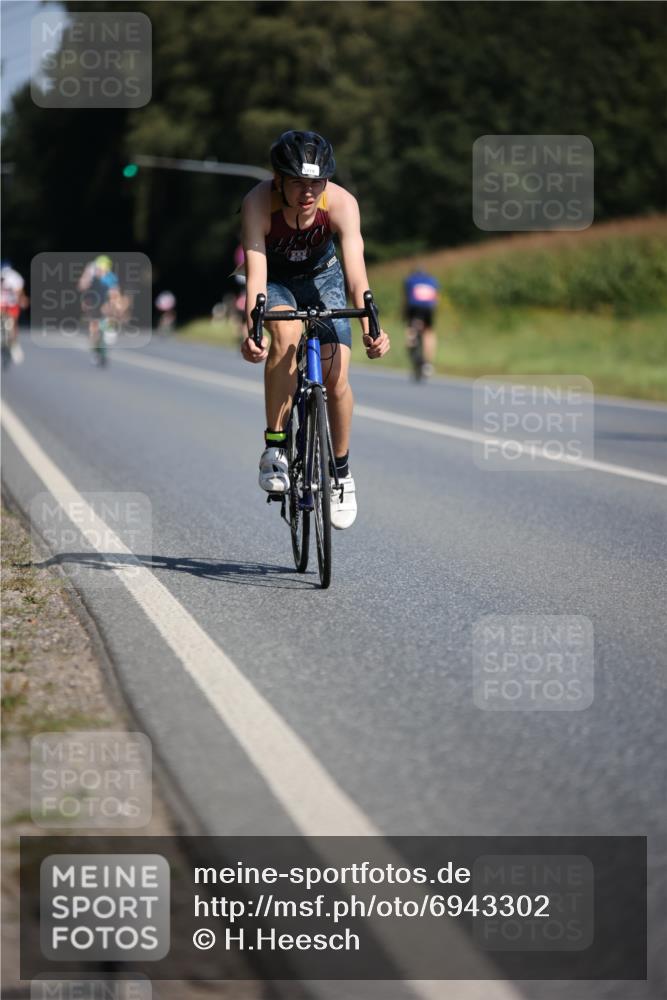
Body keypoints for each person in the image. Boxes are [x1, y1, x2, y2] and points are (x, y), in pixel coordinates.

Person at [240, 130, 390, 529]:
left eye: (315, 183)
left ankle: (340, 474)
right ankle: (275, 447)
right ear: (279, 180)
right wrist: (252, 328)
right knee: (286, 337)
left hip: (324, 277)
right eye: (298, 183)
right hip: (276, 280)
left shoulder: (341, 203)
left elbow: (356, 272)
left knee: (337, 374)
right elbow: (255, 274)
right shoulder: (257, 203)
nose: (308, 192)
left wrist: (370, 325)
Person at [78, 255, 119, 361]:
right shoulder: (91, 276)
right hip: (93, 304)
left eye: (103, 269)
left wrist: (112, 305)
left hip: (104, 303)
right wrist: (87, 273)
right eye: (99, 269)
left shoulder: (110, 277)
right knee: (93, 330)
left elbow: (114, 293)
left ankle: (110, 328)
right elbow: (81, 287)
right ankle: (95, 349)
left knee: (111, 311)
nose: (100, 271)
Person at [403, 269, 440, 377]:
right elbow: (436, 299)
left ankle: (411, 342)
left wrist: (403, 315)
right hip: (428, 308)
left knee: (411, 329)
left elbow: (406, 298)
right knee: (428, 332)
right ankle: (428, 364)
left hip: (414, 308)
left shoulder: (410, 280)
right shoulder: (432, 281)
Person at [0, 262, 27, 361]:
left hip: (11, 302)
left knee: (13, 322)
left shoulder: (14, 277)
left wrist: (22, 299)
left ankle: (14, 344)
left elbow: (19, 290)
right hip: (1, 302)